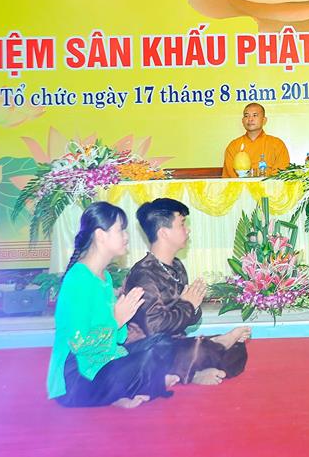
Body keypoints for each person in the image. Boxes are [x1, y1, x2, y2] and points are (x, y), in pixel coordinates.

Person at [47, 202, 179, 407]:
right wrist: (116, 320)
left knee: (162, 343)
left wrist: (122, 318)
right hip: (76, 377)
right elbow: (78, 343)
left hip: (106, 360)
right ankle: (133, 386)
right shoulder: (78, 280)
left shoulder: (105, 277)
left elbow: (118, 338)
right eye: (121, 230)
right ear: (101, 235)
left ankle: (134, 385)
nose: (126, 236)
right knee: (148, 358)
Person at [126, 198, 249, 385]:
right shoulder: (144, 274)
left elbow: (189, 319)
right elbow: (154, 327)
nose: (188, 230)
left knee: (237, 351)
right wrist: (188, 304)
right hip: (148, 349)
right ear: (164, 232)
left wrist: (194, 306)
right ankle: (196, 371)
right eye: (182, 224)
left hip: (177, 344)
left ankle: (203, 356)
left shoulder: (177, 266)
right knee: (172, 348)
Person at [221, 103, 290, 177]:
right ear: (243, 121)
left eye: (255, 115)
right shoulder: (234, 145)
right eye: (246, 116)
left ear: (264, 120)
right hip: (240, 185)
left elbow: (281, 174)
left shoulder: (277, 144)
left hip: (269, 184)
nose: (250, 119)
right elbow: (230, 176)